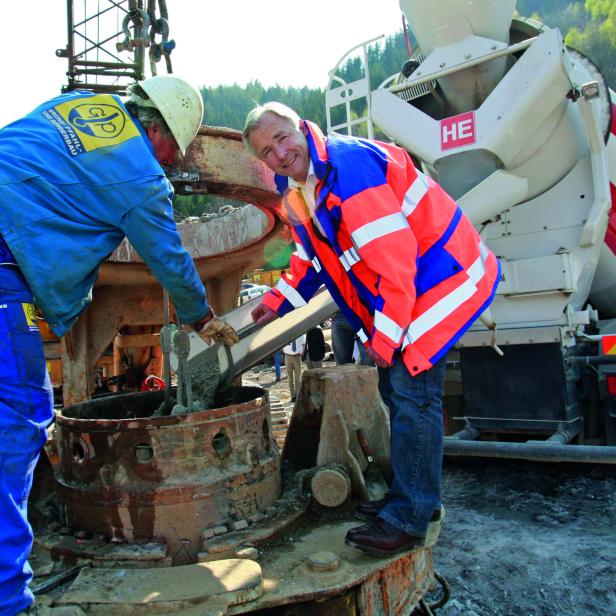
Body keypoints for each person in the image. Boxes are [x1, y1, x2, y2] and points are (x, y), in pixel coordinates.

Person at [0, 75, 238, 614]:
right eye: (174, 153)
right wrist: (202, 317)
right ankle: (8, 600)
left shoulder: (80, 105)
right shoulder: (141, 177)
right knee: (13, 429)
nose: (170, 163)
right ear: (162, 134)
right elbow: (170, 259)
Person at [243, 102, 499, 557]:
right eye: (267, 151)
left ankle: (408, 517)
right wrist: (275, 301)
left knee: (411, 393)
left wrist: (383, 339)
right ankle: (416, 500)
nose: (280, 152)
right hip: (412, 285)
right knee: (398, 392)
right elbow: (311, 256)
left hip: (439, 278)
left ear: (301, 127)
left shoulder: (350, 168)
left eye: (282, 137)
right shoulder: (298, 187)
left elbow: (396, 264)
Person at [282, 334, 305, 401]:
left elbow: (303, 343)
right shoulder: (286, 333)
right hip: (287, 356)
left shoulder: (300, 333)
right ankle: (293, 396)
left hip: (297, 356)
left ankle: (298, 395)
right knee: (290, 377)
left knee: (298, 377)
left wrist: (302, 352)